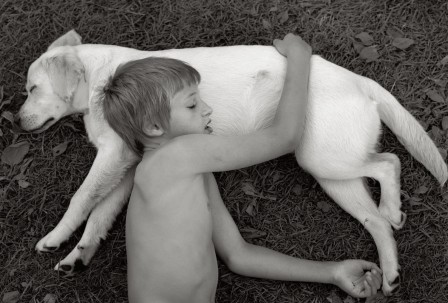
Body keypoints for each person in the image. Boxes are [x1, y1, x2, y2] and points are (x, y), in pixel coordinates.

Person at [101, 34, 382, 303]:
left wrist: (333, 272)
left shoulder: (189, 173)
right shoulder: (177, 155)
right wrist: (299, 57)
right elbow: (284, 137)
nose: (208, 109)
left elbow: (238, 255)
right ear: (153, 127)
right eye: (192, 104)